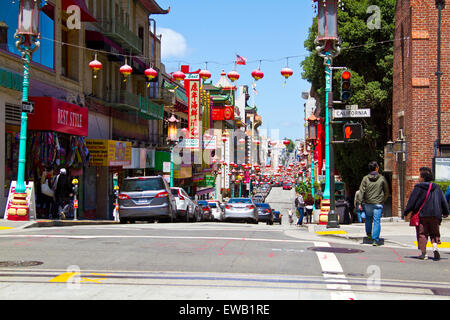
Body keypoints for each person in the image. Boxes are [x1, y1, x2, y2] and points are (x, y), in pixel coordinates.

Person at [404, 167, 449, 260]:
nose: (418, 177)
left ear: (423, 177)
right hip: (436, 214)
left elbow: (412, 201)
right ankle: (435, 247)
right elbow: (443, 200)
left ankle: (424, 254)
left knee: (422, 233)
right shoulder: (437, 187)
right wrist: (445, 212)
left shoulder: (418, 187)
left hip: (422, 215)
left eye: (419, 175)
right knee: (434, 232)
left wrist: (406, 211)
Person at [356, 161, 390, 246]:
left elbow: (361, 191)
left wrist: (359, 202)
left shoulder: (365, 178)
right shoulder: (382, 178)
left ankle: (368, 234)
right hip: (378, 203)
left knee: (368, 218)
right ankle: (375, 240)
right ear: (377, 168)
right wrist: (383, 200)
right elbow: (386, 191)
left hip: (368, 203)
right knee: (376, 221)